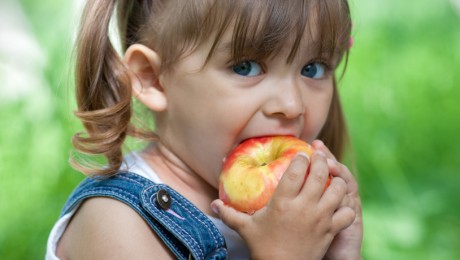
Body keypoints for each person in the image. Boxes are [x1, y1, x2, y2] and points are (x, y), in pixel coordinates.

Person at [46, 0, 363, 259]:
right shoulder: (118, 223)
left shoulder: (298, 211)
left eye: (313, 68)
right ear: (153, 78)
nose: (292, 104)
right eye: (246, 67)